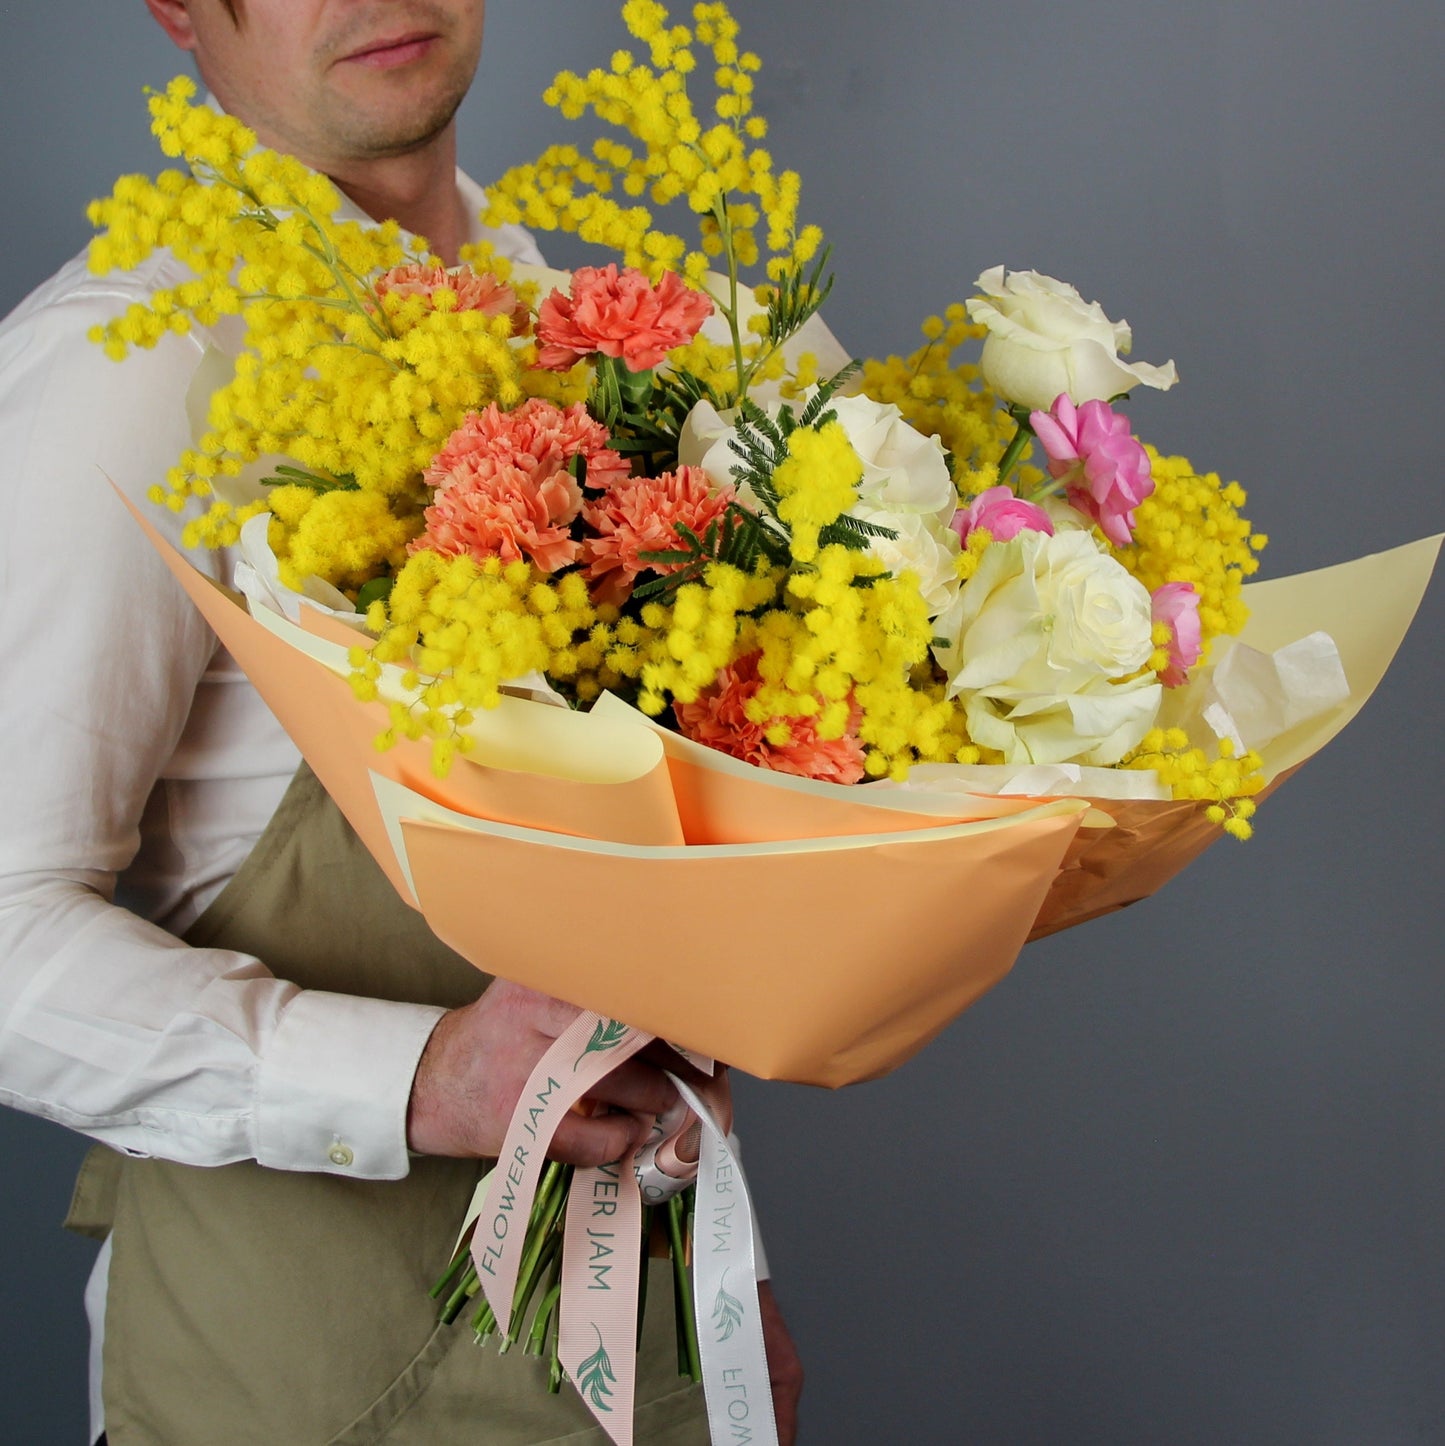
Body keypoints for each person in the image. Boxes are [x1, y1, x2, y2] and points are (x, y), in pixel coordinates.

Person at [0, 1, 803, 1441]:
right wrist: (424, 1078)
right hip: (290, 1383)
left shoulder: (578, 328)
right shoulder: (136, 362)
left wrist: (727, 1304)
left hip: (634, 1369)